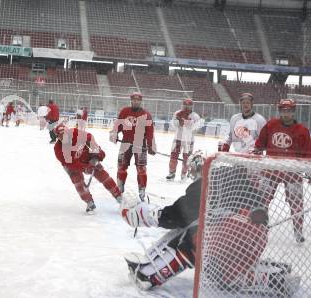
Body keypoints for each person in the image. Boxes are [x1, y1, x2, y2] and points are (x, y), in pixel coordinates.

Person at [121, 153, 297, 296]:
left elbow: (178, 216)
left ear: (200, 168)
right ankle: (275, 278)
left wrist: (144, 215)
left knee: (189, 241)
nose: (193, 174)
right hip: (257, 236)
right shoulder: (231, 176)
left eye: (193, 170)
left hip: (232, 231)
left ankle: (149, 274)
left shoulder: (208, 182)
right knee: (225, 273)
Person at [254, 99, 311, 243]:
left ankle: (298, 231)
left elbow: (308, 153)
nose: (286, 114)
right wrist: (256, 153)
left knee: (297, 203)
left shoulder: (303, 131)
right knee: (261, 199)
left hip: (292, 172)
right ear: (280, 111)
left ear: (294, 111)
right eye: (284, 111)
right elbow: (259, 144)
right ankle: (258, 227)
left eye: (289, 110)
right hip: (271, 169)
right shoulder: (271, 125)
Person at [54, 124, 122, 214]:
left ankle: (119, 197)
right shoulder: (58, 149)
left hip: (86, 156)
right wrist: (86, 168)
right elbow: (71, 164)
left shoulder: (76, 132)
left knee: (102, 174)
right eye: (61, 137)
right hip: (72, 166)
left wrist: (96, 153)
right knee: (78, 181)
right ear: (58, 137)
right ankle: (89, 202)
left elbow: (89, 137)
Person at [110, 92, 155, 201]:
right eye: (134, 100)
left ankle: (142, 190)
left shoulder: (146, 115)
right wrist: (114, 133)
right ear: (131, 100)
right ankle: (120, 188)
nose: (136, 101)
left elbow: (150, 132)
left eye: (138, 100)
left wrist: (151, 145)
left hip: (140, 144)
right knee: (121, 166)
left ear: (140, 101)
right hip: (126, 142)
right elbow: (118, 125)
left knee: (141, 169)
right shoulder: (125, 111)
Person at [166, 98, 202, 181]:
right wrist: (180, 121)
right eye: (185, 104)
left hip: (189, 141)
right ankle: (172, 173)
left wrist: (185, 121)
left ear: (192, 106)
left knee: (187, 159)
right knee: (173, 157)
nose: (186, 106)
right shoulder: (177, 113)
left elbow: (195, 127)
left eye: (189, 105)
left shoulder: (195, 116)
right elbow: (174, 124)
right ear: (182, 105)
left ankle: (184, 174)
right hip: (177, 139)